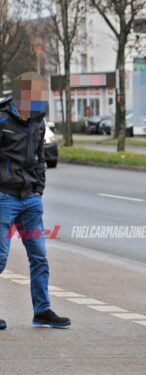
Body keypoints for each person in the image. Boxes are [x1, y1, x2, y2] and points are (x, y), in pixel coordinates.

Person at [0, 72, 71, 330]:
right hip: (4, 198)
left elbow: (41, 157)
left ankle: (42, 311)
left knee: (39, 258)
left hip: (30, 200)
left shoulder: (39, 121)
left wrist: (38, 188)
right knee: (0, 257)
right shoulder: (2, 119)